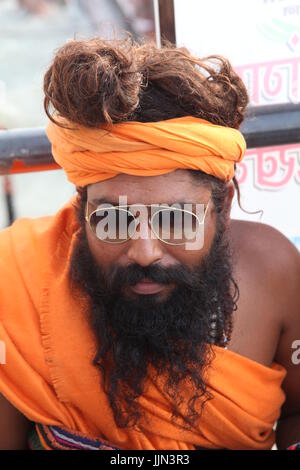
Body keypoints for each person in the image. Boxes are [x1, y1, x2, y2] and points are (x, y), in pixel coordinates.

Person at [0, 37, 299, 451]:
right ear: (81, 208)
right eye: (112, 220)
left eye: (176, 220)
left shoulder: (275, 273)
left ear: (224, 206)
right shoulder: (18, 286)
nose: (144, 251)